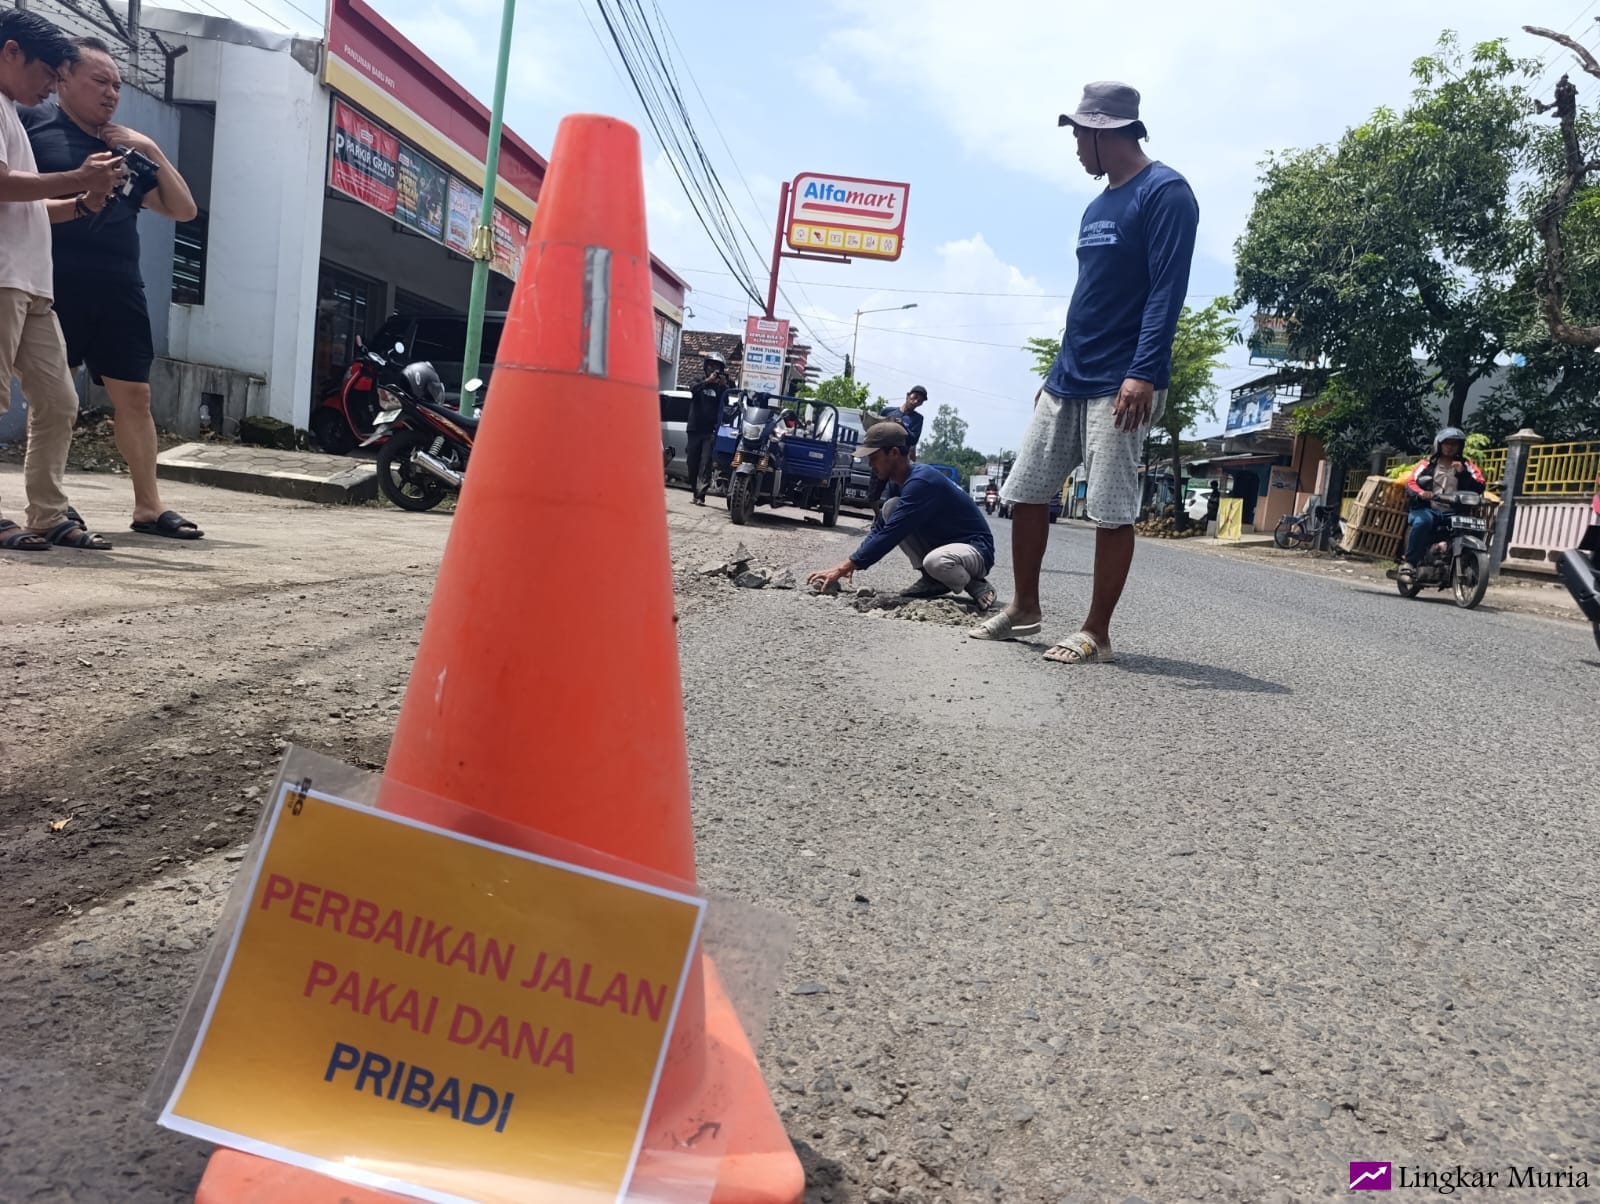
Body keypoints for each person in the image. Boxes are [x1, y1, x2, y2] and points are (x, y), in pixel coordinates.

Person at [972, 81, 1198, 664]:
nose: (1074, 147)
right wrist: (1053, 372)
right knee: (1024, 491)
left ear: (1104, 132)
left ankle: (1096, 631)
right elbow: (1088, 296)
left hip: (1124, 381)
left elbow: (1166, 291)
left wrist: (1143, 372)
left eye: (1078, 135)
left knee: (1111, 506)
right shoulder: (1097, 205)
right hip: (1069, 375)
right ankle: (1025, 608)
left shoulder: (1166, 192)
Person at [23, 36, 202, 539]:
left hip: (119, 285)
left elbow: (182, 209)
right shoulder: (31, 127)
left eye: (117, 85)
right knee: (54, 398)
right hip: (54, 281)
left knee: (137, 396)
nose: (110, 94)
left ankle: (149, 507)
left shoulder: (122, 145)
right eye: (99, 81)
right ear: (63, 80)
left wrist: (147, 147)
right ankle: (52, 505)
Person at [0, 12, 123, 551]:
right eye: (47, 72)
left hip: (31, 283)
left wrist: (83, 200)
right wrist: (78, 176)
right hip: (2, 278)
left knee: (58, 400)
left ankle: (47, 514)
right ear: (10, 52)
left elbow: (25, 207)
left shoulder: (10, 112)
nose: (51, 85)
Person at [808, 421, 996, 609]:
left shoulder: (921, 482)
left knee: (937, 562)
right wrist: (852, 562)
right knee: (891, 508)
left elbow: (892, 534)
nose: (870, 463)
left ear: (894, 453)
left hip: (976, 549)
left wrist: (844, 568)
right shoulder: (897, 481)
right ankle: (932, 579)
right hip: (945, 546)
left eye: (873, 457)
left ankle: (975, 583)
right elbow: (881, 528)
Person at [1399, 427, 1485, 580]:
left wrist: (1463, 473)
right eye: (1447, 443)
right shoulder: (1426, 464)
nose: (1450, 447)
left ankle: (1469, 562)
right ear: (1439, 445)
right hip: (1427, 509)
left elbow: (1479, 486)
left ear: (1460, 447)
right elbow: (1411, 483)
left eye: (1455, 444)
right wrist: (1421, 493)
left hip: (1454, 511)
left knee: (1475, 526)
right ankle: (1410, 563)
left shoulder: (1467, 466)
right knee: (1422, 522)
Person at [867, 385, 927, 514]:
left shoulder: (917, 419)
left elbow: (913, 439)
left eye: (920, 401)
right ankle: (878, 515)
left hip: (899, 460)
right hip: (883, 456)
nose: (916, 402)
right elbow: (876, 430)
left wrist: (902, 426)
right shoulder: (888, 411)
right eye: (915, 397)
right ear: (907, 395)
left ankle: (886, 518)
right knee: (873, 494)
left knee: (894, 494)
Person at [684, 351, 728, 504]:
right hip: (694, 429)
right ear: (706, 366)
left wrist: (723, 388)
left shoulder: (720, 387)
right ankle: (694, 492)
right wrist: (708, 381)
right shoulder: (698, 380)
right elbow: (693, 389)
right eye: (712, 366)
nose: (714, 369)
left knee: (705, 463)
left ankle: (701, 495)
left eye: (717, 367)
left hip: (710, 431)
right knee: (692, 463)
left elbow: (726, 404)